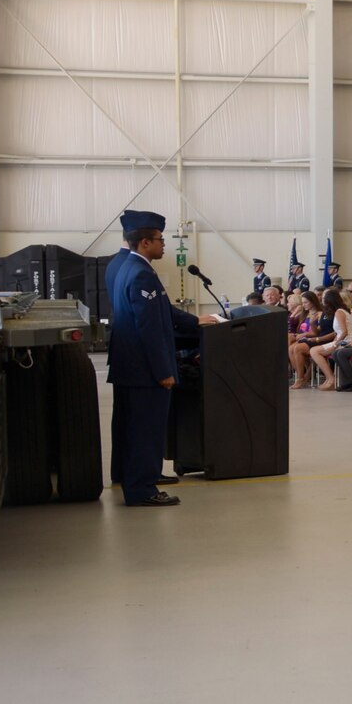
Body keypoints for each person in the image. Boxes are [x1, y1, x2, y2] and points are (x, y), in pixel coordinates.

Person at [107, 209, 217, 507]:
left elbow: (160, 314)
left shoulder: (126, 268)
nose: (164, 244)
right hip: (144, 370)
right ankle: (142, 490)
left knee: (134, 428)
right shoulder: (141, 273)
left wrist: (195, 322)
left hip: (130, 366)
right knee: (146, 430)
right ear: (144, 242)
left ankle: (132, 479)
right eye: (159, 239)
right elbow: (150, 328)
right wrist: (164, 370)